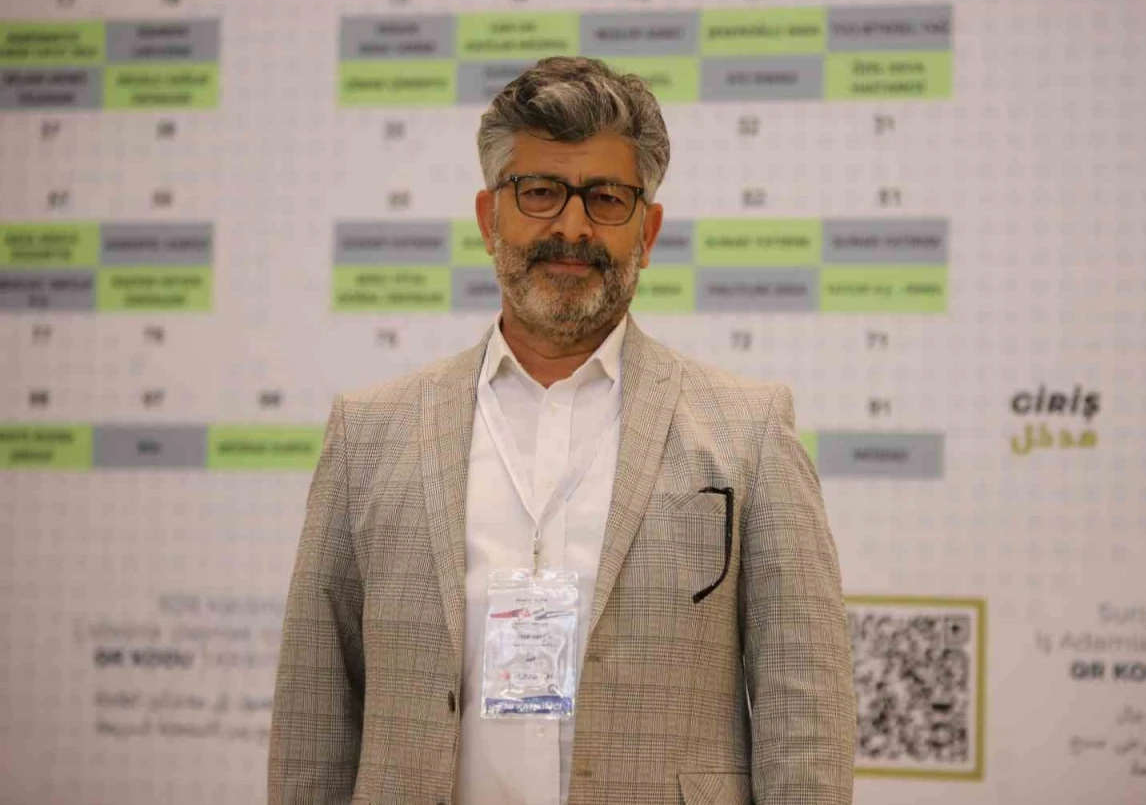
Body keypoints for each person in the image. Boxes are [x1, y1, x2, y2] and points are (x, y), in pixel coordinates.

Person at [267, 56, 856, 805]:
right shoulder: (370, 433)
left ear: (648, 231)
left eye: (606, 198)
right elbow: (314, 710)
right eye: (540, 193)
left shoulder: (749, 432)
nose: (572, 227)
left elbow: (805, 715)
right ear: (490, 218)